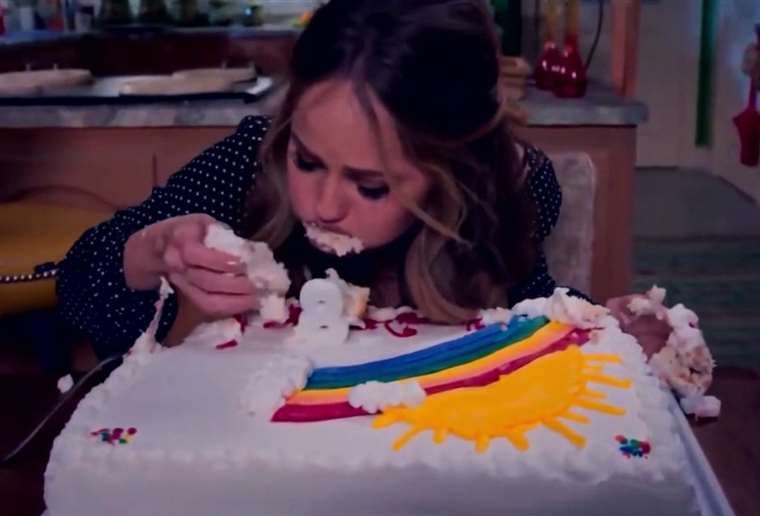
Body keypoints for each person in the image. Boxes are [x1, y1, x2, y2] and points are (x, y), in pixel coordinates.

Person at [58, 0, 576, 362]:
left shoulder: (508, 192)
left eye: (371, 187)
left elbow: (536, 317)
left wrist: (597, 323)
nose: (324, 206)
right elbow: (78, 291)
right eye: (306, 162)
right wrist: (148, 254)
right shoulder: (247, 166)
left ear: (453, 174)